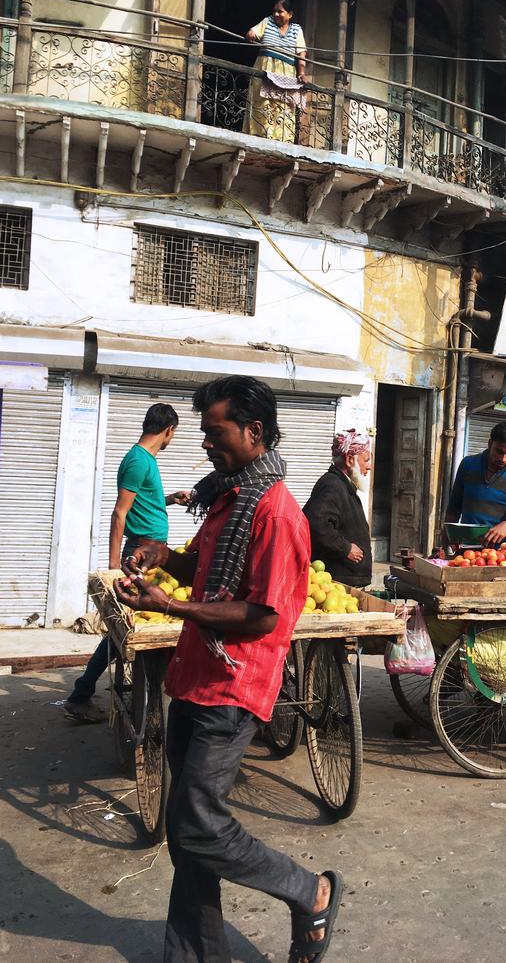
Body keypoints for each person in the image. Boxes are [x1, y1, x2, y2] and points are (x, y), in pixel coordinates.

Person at [115, 376, 342, 963]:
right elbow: (210, 573)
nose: (205, 444)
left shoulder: (276, 513)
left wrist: (171, 606)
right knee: (190, 834)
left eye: (215, 433)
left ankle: (308, 891)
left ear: (254, 431)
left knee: (195, 825)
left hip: (234, 685)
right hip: (195, 675)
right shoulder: (229, 496)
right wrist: (167, 557)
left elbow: (262, 614)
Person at [63, 403, 189, 724]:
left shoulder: (146, 460)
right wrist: (113, 566)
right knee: (125, 631)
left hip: (151, 552)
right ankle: (81, 694)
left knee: (134, 627)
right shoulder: (137, 461)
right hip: (140, 554)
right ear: (168, 431)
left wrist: (171, 499)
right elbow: (120, 513)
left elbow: (142, 504)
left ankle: (93, 692)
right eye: (174, 434)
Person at [445, 421, 506, 546]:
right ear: (490, 443)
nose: (503, 459)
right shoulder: (468, 464)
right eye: (499, 452)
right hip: (464, 548)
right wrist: (446, 544)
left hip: (501, 553)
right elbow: (453, 508)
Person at [303, 429, 373, 587]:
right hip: (337, 582)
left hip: (346, 580)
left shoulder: (343, 484)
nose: (369, 466)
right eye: (366, 460)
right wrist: (345, 548)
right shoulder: (333, 485)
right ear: (349, 459)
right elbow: (316, 523)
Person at [245, 0, 307, 142]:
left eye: (281, 11)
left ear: (290, 14)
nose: (276, 14)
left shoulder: (296, 30)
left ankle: (280, 139)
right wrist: (251, 35)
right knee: (262, 103)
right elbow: (252, 32)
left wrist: (301, 73)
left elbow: (301, 53)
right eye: (275, 11)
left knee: (283, 106)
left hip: (285, 73)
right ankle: (259, 136)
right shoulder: (267, 22)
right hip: (265, 68)